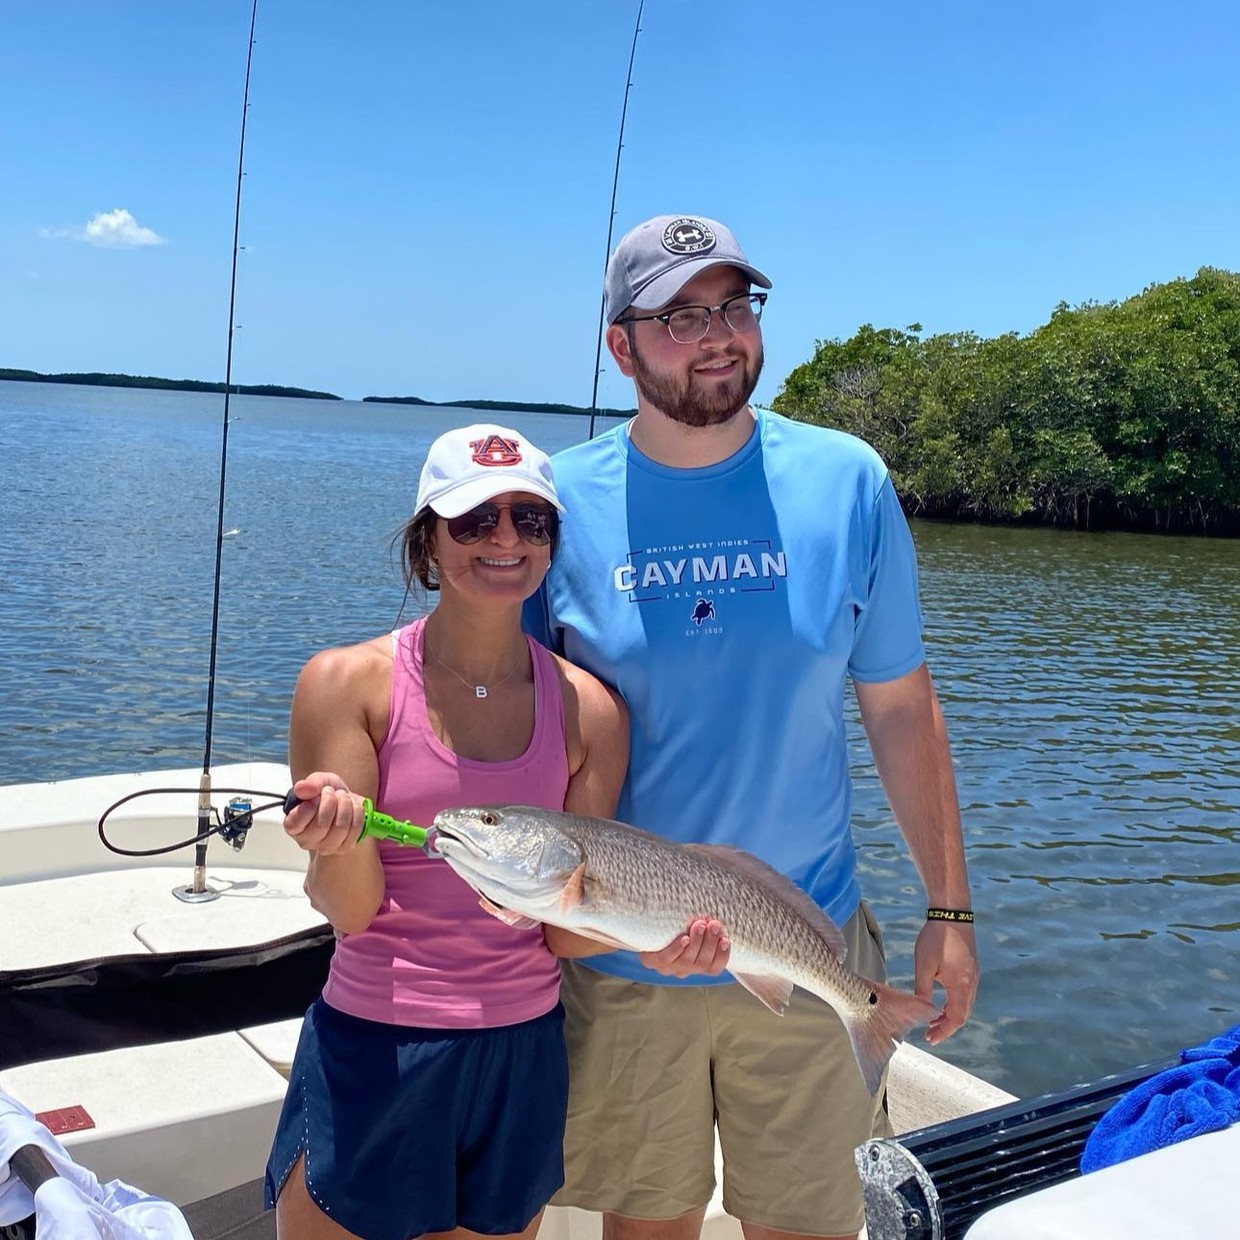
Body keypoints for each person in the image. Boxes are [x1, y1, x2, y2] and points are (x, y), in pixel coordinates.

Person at [524, 215, 981, 1240]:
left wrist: (948, 912)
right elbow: (505, 724)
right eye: (681, 315)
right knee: (647, 1226)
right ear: (621, 346)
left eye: (734, 305)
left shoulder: (846, 480)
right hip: (624, 953)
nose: (718, 334)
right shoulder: (553, 502)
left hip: (809, 931)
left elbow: (901, 706)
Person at [264, 424, 629, 1240]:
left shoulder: (591, 711)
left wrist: (658, 935)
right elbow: (351, 912)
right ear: (428, 544)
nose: (504, 539)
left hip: (521, 1054)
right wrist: (338, 839)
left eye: (529, 520)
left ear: (550, 544)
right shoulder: (343, 684)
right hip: (376, 1040)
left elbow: (567, 936)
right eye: (472, 521)